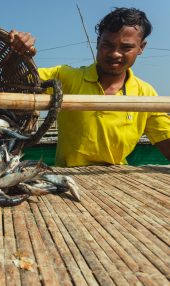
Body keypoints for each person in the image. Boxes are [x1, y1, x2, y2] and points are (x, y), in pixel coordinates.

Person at [9, 7, 170, 167]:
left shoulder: (146, 94)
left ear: (141, 47)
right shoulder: (65, 77)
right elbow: (14, 82)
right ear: (98, 42)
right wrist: (16, 54)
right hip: (67, 177)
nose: (115, 53)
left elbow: (165, 140)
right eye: (107, 44)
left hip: (117, 179)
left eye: (126, 47)